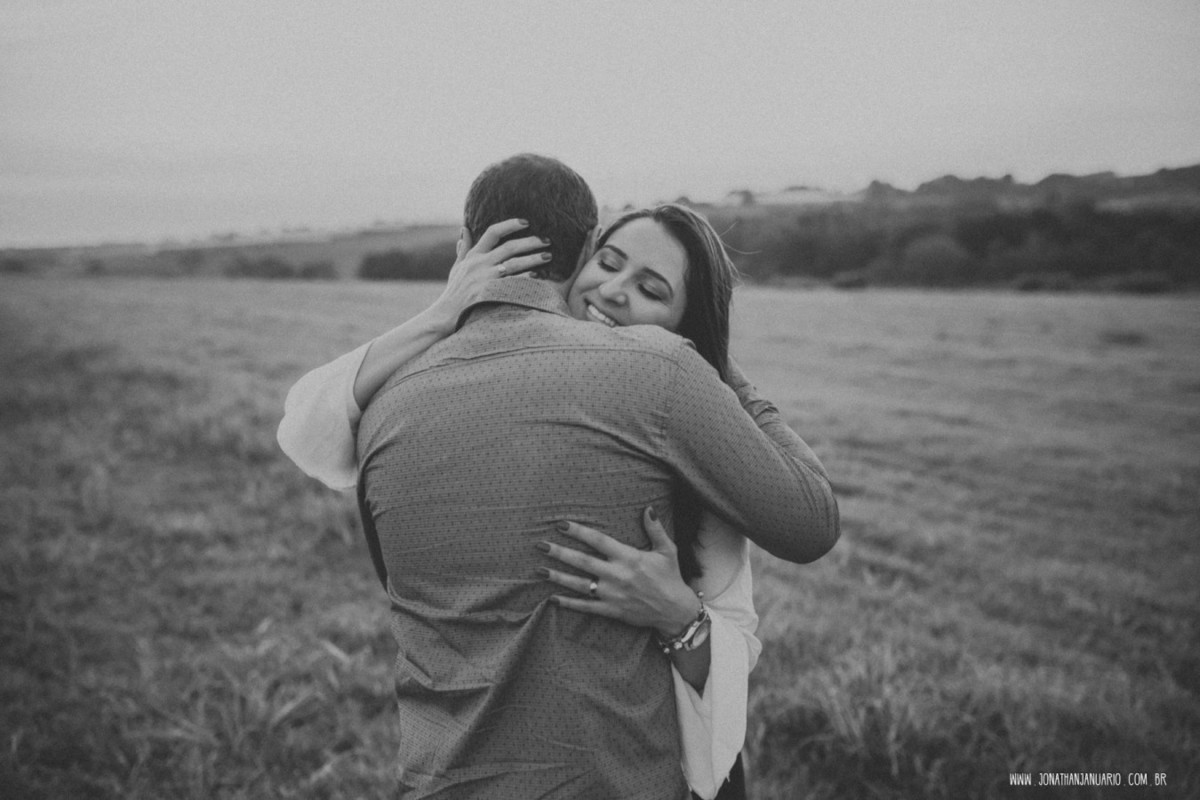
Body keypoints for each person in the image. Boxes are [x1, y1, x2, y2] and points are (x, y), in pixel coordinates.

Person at [278, 154, 839, 798]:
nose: (616, 292)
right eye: (609, 262)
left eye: (654, 291)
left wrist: (683, 619)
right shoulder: (659, 377)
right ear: (582, 255)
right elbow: (812, 523)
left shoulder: (381, 408)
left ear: (463, 247)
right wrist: (445, 310)